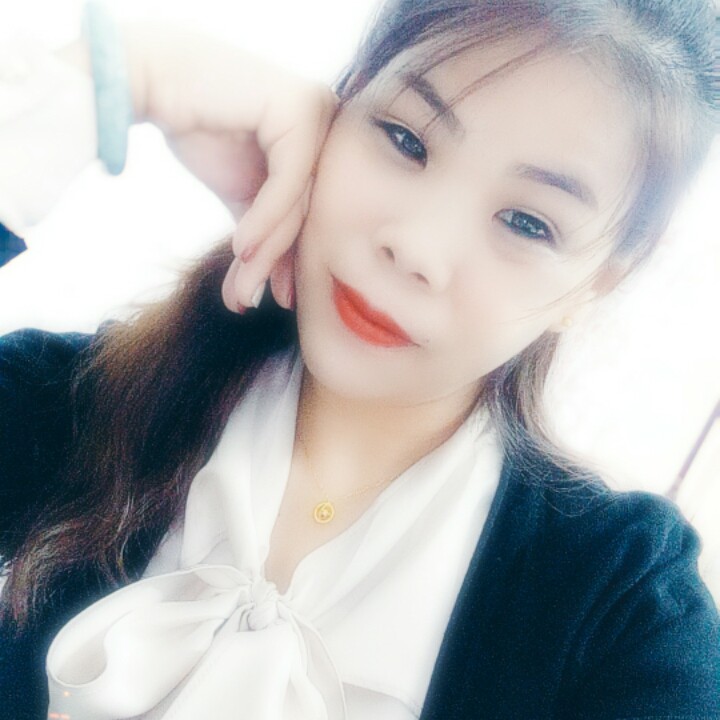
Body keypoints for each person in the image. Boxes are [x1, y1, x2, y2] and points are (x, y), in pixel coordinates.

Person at [1, 0, 718, 718]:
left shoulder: (622, 612)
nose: (416, 247)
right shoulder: (65, 408)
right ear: (340, 105)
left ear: (598, 281)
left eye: (528, 223)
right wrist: (115, 75)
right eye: (406, 140)